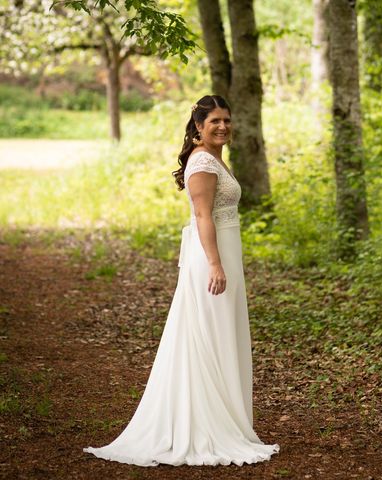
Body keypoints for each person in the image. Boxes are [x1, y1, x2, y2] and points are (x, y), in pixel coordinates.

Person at [84, 95, 279, 466]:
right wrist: (215, 265)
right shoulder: (203, 161)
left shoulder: (214, 157)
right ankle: (206, 426)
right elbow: (204, 217)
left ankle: (228, 421)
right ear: (199, 126)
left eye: (227, 120)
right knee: (208, 337)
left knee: (221, 334)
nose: (222, 126)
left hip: (223, 256)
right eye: (214, 121)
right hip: (211, 260)